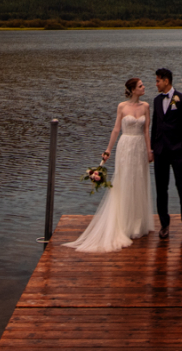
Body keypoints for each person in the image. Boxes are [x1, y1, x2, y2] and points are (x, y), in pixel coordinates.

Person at [63, 77, 152, 252]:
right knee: (125, 181)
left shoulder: (146, 106)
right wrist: (108, 150)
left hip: (140, 146)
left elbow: (147, 129)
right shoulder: (121, 106)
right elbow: (116, 129)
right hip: (125, 147)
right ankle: (123, 223)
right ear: (133, 90)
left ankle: (137, 224)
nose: (144, 87)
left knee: (139, 182)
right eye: (141, 86)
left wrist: (150, 150)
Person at [150, 67, 182, 239]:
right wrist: (153, 148)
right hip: (160, 152)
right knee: (161, 189)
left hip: (178, 152)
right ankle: (164, 225)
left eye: (158, 80)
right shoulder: (156, 101)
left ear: (166, 81)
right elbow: (155, 126)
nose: (156, 84)